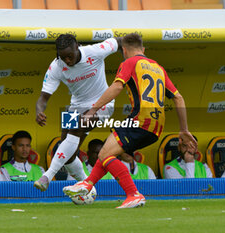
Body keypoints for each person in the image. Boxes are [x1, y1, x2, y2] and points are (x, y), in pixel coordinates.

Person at [63, 33, 197, 208]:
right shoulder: (158, 68)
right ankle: (86, 184)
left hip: (140, 120)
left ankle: (133, 194)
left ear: (124, 50)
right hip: (156, 127)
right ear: (143, 49)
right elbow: (178, 98)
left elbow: (117, 86)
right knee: (106, 152)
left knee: (105, 154)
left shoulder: (129, 63)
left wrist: (94, 109)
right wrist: (184, 130)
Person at [34, 34, 121, 191]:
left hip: (102, 103)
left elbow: (120, 41)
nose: (67, 60)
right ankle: (88, 188)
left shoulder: (95, 51)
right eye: (63, 57)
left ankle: (47, 176)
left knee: (77, 127)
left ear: (77, 47)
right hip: (76, 106)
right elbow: (43, 97)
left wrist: (132, 60)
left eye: (70, 56)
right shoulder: (56, 66)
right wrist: (39, 111)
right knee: (68, 156)